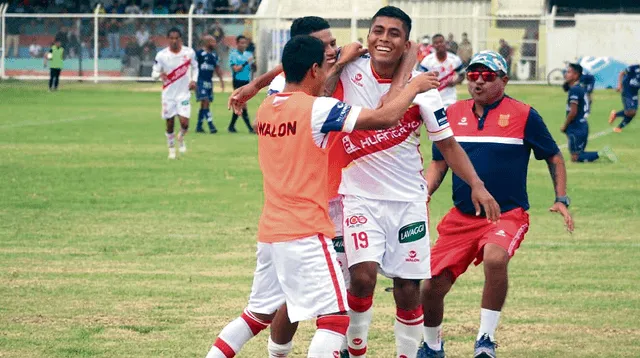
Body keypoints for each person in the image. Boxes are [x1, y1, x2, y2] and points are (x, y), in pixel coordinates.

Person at [203, 34, 440, 358]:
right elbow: (385, 118)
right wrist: (413, 86)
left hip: (270, 230)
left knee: (255, 315)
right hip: (304, 231)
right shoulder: (318, 110)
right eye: (327, 62)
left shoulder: (267, 109)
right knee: (335, 319)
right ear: (315, 69)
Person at [336, 8, 498, 358]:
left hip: (408, 201)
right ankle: (355, 349)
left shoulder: (424, 87)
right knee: (362, 277)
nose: (383, 38)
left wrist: (476, 184)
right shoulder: (348, 73)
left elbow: (447, 145)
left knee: (407, 287)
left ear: (405, 43)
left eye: (394, 33)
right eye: (377, 30)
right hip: (358, 196)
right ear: (368, 36)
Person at [417, 51, 574, 358]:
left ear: (504, 80)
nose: (478, 82)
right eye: (473, 76)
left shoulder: (524, 114)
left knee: (495, 259)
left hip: (506, 214)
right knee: (431, 285)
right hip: (461, 217)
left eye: (487, 76)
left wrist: (561, 198)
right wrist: (424, 191)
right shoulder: (451, 113)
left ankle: (485, 340)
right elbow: (439, 163)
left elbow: (553, 155)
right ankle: (433, 346)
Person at [151, 28, 198, 159]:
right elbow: (153, 73)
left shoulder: (189, 53)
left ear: (180, 39)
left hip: (183, 94)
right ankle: (171, 148)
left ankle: (181, 137)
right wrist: (159, 75)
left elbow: (195, 67)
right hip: (168, 95)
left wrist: (194, 80)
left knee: (185, 123)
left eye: (176, 38)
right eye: (171, 38)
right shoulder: (161, 55)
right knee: (170, 123)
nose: (174, 41)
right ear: (168, 39)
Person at [562, 63, 616, 163]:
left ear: (576, 75)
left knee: (576, 158)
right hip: (582, 125)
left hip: (576, 126)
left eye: (569, 72)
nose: (566, 74)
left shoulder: (574, 89)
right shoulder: (580, 88)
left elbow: (573, 112)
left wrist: (565, 126)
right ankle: (600, 153)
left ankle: (601, 153)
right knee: (578, 154)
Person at [419, 33, 465, 108]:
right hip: (433, 98)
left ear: (445, 43)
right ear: (433, 46)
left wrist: (455, 81)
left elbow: (462, 75)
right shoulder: (427, 61)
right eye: (436, 43)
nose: (439, 44)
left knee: (448, 118)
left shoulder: (454, 59)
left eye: (441, 42)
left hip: (450, 98)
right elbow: (420, 78)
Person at [195, 35, 225, 134]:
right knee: (205, 101)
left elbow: (217, 68)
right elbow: (193, 67)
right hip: (200, 81)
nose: (214, 44)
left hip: (209, 82)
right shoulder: (199, 54)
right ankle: (211, 125)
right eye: (212, 42)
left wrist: (221, 81)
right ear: (206, 42)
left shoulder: (214, 55)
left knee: (204, 104)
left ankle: (199, 126)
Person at [228, 35, 255, 133]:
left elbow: (253, 68)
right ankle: (250, 128)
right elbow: (236, 69)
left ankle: (231, 127)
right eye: (241, 43)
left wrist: (254, 64)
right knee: (242, 103)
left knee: (239, 103)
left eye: (245, 43)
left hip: (246, 81)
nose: (243, 45)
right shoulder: (233, 54)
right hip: (238, 81)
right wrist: (246, 63)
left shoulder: (249, 54)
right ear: (237, 43)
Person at [609, 63, 640, 132]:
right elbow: (621, 73)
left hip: (634, 92)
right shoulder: (634, 67)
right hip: (627, 90)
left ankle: (617, 119)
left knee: (632, 112)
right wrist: (619, 85)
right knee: (631, 111)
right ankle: (618, 126)